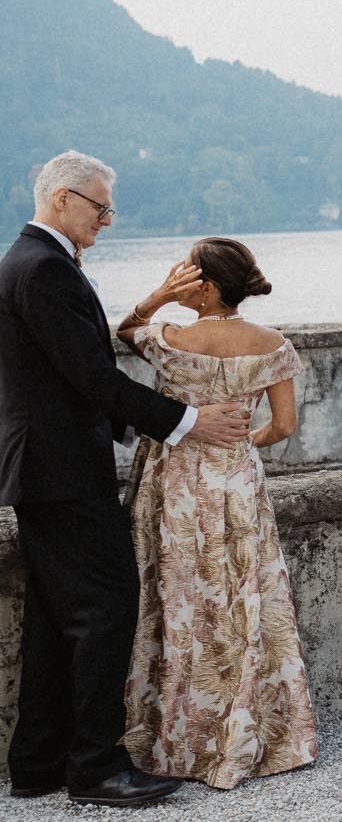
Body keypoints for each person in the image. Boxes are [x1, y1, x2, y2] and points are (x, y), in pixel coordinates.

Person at [0, 151, 250, 807]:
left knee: (58, 620)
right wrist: (189, 419)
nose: (108, 218)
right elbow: (92, 375)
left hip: (47, 467)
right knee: (108, 607)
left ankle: (36, 762)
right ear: (61, 199)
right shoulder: (42, 267)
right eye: (100, 206)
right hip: (59, 469)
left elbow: (79, 364)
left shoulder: (33, 262)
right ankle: (95, 766)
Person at [114, 238, 318, 787]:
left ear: (203, 285)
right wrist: (239, 442)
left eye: (187, 275)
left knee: (179, 598)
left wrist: (158, 297)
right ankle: (251, 729)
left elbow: (123, 331)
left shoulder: (171, 340)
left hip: (175, 482)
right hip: (237, 481)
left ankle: (179, 734)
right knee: (243, 596)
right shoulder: (273, 344)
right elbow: (283, 426)